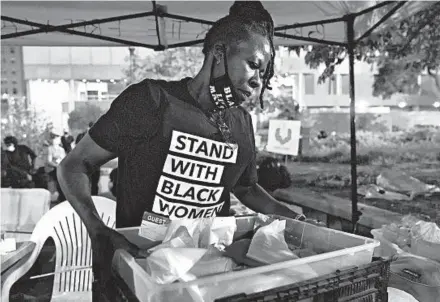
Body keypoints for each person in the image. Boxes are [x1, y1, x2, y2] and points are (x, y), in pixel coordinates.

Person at [58, 2, 307, 300]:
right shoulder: (152, 100)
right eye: (253, 64)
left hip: (206, 274)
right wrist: (97, 229)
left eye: (263, 73)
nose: (257, 81)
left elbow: (247, 187)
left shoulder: (242, 123)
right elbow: (74, 165)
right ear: (218, 53)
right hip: (139, 270)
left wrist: (294, 219)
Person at [46, 132, 66, 202]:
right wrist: (57, 165)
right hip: (53, 168)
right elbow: (49, 161)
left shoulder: (62, 149)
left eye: (57, 139)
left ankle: (63, 196)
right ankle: (59, 196)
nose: (56, 140)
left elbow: (64, 159)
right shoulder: (50, 149)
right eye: (55, 139)